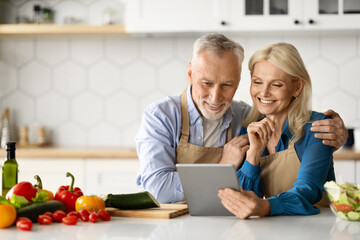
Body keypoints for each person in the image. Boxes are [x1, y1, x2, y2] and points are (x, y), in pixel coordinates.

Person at [136, 33, 347, 204]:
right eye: (206, 83)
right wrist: (224, 166)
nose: (216, 97)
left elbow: (263, 194)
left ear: (238, 82)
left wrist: (338, 135)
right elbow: (159, 190)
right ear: (190, 74)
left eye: (227, 85)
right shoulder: (162, 117)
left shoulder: (246, 118)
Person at [218, 42, 337, 218]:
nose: (264, 92)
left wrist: (265, 206)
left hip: (318, 228)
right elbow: (244, 202)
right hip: (272, 231)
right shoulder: (250, 130)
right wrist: (253, 155)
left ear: (297, 88)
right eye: (257, 82)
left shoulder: (318, 127)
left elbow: (308, 190)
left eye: (276, 85)